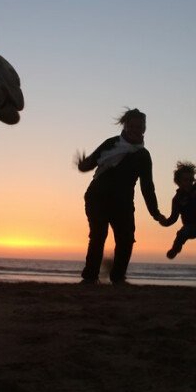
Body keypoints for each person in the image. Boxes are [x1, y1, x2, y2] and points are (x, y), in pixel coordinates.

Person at [77, 108, 165, 285]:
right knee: (98, 235)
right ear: (125, 126)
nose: (135, 129)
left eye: (140, 126)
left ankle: (117, 278)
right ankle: (90, 278)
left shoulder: (143, 156)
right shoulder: (111, 143)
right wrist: (83, 165)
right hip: (97, 197)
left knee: (126, 240)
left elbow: (147, 186)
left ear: (144, 128)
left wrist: (155, 212)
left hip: (123, 203)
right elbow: (92, 162)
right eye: (132, 125)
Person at [159, 160, 196, 260]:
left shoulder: (195, 189)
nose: (188, 183)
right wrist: (163, 221)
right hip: (189, 228)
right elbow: (173, 218)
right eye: (185, 180)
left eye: (190, 180)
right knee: (182, 234)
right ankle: (175, 249)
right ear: (178, 182)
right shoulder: (177, 199)